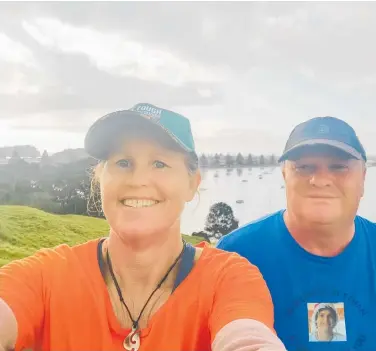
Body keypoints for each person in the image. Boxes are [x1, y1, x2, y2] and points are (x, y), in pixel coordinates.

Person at [0, 103, 287, 351]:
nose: (138, 179)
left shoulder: (228, 280)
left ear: (192, 184)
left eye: (160, 164)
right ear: (100, 179)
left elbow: (247, 336)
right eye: (123, 162)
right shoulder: (48, 276)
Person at [217, 116, 376, 351]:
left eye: (338, 166)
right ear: (285, 175)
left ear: (363, 178)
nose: (320, 179)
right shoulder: (236, 255)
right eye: (304, 167)